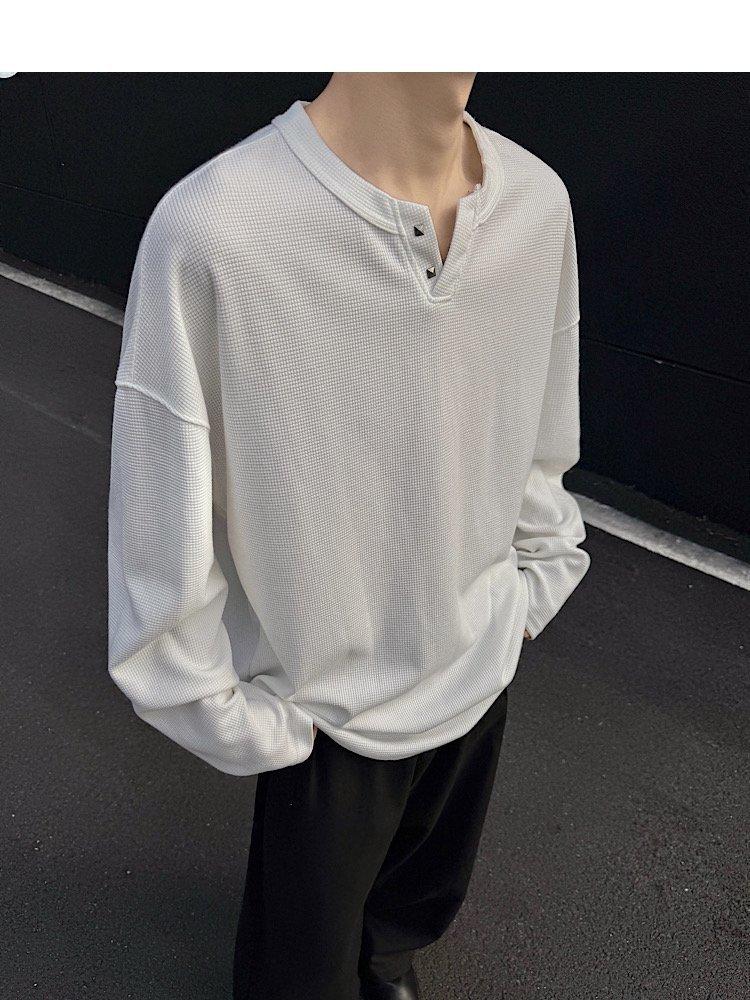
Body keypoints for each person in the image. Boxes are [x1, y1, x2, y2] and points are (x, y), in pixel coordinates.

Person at [107, 72, 591, 1000]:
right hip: (329, 716)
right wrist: (227, 715)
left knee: (416, 901)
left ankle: (387, 961)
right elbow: (164, 521)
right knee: (297, 973)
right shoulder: (216, 231)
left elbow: (542, 418)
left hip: (481, 663)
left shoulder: (537, 203)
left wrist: (532, 582)